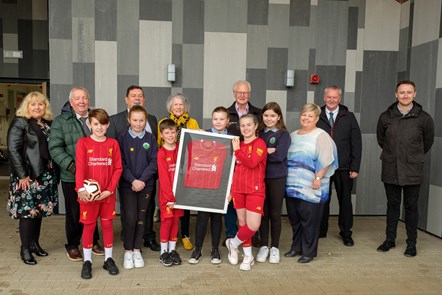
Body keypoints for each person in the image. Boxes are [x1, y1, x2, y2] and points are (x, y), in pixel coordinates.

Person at [376, 80, 434, 257]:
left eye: (409, 92)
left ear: (414, 94)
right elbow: (381, 140)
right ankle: (389, 240)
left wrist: (411, 157)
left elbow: (427, 142)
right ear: (396, 94)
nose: (405, 95)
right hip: (391, 168)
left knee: (411, 207)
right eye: (402, 92)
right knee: (392, 205)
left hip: (412, 170)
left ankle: (411, 244)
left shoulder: (424, 118)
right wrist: (394, 155)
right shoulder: (385, 117)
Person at [49, 87, 103, 262]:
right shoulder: (60, 121)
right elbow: (55, 148)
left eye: (84, 98)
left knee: (93, 208)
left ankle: (93, 241)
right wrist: (74, 167)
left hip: (95, 175)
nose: (81, 102)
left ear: (89, 100)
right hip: (72, 175)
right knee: (75, 212)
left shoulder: (95, 118)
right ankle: (72, 245)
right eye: (77, 99)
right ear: (71, 102)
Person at [7, 92, 59, 265]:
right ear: (27, 107)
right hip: (28, 177)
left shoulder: (46, 123)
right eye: (33, 104)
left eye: (41, 104)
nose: (37, 107)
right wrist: (22, 175)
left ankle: (35, 244)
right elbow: (13, 150)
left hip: (45, 176)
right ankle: (25, 250)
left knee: (38, 212)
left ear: (45, 107)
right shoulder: (20, 122)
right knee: (28, 214)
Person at [107, 85, 160, 252]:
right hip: (126, 178)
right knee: (129, 212)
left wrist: (145, 178)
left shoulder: (152, 119)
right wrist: (129, 178)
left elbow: (154, 153)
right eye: (133, 95)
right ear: (126, 99)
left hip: (147, 179)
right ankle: (129, 239)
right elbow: (115, 155)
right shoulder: (116, 120)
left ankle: (147, 236)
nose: (137, 98)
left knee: (147, 209)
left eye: (140, 95)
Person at [285, 103, 338, 264]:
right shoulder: (293, 135)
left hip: (312, 187)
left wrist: (318, 178)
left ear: (316, 119)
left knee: (310, 221)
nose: (306, 118)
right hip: (292, 187)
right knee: (295, 219)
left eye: (310, 116)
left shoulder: (321, 135)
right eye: (304, 114)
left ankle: (309, 251)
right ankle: (296, 247)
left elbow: (327, 159)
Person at [75, 108, 123, 279]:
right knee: (88, 226)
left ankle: (108, 259)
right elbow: (80, 168)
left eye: (103, 124)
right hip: (88, 196)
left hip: (107, 196)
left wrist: (109, 190)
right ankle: (87, 261)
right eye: (96, 124)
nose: (100, 127)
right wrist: (80, 189)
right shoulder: (83, 143)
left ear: (108, 124)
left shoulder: (113, 144)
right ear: (89, 124)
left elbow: (118, 168)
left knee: (108, 225)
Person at [317, 86, 362, 246]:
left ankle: (346, 233)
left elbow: (356, 143)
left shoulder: (348, 117)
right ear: (324, 97)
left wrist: (355, 167)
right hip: (323, 167)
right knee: (323, 200)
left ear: (340, 99)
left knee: (345, 201)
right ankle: (321, 230)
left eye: (335, 97)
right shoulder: (317, 115)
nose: (331, 100)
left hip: (344, 167)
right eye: (329, 97)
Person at [225, 114, 268, 271]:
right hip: (238, 189)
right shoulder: (239, 144)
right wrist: (230, 190)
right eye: (242, 125)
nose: (246, 128)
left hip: (255, 191)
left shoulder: (260, 143)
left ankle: (233, 243)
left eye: (249, 125)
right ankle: (248, 256)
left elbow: (251, 162)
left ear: (256, 126)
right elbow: (233, 170)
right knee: (242, 224)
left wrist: (237, 151)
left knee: (253, 225)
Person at [188, 106, 230, 265]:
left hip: (222, 184)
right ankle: (197, 249)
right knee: (202, 217)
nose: (218, 122)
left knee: (217, 218)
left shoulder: (233, 138)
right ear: (211, 120)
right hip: (205, 184)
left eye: (221, 119)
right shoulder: (203, 135)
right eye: (215, 119)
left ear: (227, 121)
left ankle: (215, 249)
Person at [118, 105, 158, 269]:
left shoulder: (150, 139)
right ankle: (128, 250)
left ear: (145, 120)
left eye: (141, 120)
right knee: (130, 218)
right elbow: (121, 163)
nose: (138, 123)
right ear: (129, 120)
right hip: (128, 186)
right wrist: (132, 180)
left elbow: (154, 162)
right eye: (135, 120)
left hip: (145, 185)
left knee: (142, 218)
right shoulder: (122, 139)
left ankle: (136, 250)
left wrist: (142, 180)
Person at [158, 94, 199, 250]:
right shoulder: (163, 123)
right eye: (175, 104)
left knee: (183, 208)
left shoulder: (192, 122)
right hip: (169, 166)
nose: (178, 107)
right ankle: (165, 248)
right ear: (170, 106)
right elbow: (159, 142)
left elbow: (197, 143)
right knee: (169, 216)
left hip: (185, 170)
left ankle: (185, 235)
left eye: (181, 104)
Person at [225, 80, 262, 248]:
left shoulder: (258, 113)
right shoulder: (227, 113)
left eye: (245, 92)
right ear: (234, 94)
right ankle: (232, 235)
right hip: (233, 165)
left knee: (251, 217)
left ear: (249, 94)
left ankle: (240, 240)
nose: (242, 95)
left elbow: (262, 140)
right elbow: (218, 132)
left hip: (250, 164)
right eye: (239, 92)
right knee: (235, 209)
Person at [256, 102, 291, 264]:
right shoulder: (259, 133)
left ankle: (275, 247)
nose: (269, 119)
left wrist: (263, 153)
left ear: (278, 117)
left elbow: (280, 157)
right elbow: (253, 156)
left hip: (277, 178)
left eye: (272, 115)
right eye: (266, 115)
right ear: (262, 117)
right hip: (260, 178)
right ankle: (264, 245)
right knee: (263, 213)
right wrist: (269, 151)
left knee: (276, 214)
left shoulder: (283, 135)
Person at [157, 119, 184, 267]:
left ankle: (172, 250)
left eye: (173, 132)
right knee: (167, 222)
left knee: (175, 222)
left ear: (177, 133)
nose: (170, 135)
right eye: (167, 133)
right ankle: (163, 252)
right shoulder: (161, 153)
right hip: (167, 197)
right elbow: (164, 178)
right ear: (161, 135)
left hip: (180, 195)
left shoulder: (181, 148)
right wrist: (170, 197)